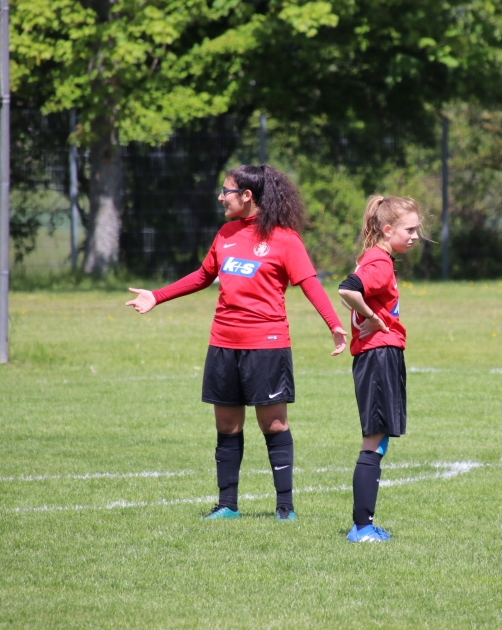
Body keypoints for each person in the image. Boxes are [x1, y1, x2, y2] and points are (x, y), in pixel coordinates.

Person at [125, 164, 347, 522]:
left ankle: (285, 507)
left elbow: (310, 284)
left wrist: (334, 325)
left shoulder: (285, 238)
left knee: (274, 425)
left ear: (247, 196)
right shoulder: (226, 233)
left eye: (225, 191)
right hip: (223, 343)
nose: (220, 197)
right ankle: (227, 505)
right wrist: (157, 295)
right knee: (227, 425)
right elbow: (203, 276)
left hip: (267, 345)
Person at [337, 195, 422, 542]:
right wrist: (373, 318)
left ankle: (365, 526)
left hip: (381, 354)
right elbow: (347, 290)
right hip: (378, 355)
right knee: (373, 439)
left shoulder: (378, 259)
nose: (415, 236)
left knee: (379, 436)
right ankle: (362, 528)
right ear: (388, 230)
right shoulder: (379, 262)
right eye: (409, 229)